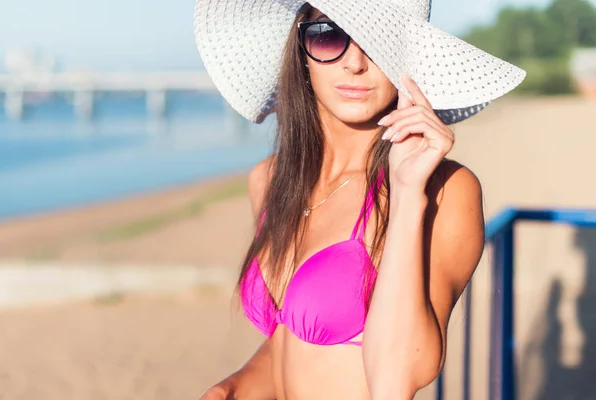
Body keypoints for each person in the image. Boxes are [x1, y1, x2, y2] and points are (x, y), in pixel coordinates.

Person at [194, 0, 526, 398]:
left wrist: (406, 199)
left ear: (408, 60)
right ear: (300, 53)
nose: (354, 63)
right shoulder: (270, 180)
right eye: (327, 35)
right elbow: (288, 342)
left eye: (378, 43)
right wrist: (232, 387)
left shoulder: (446, 191)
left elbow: (399, 377)